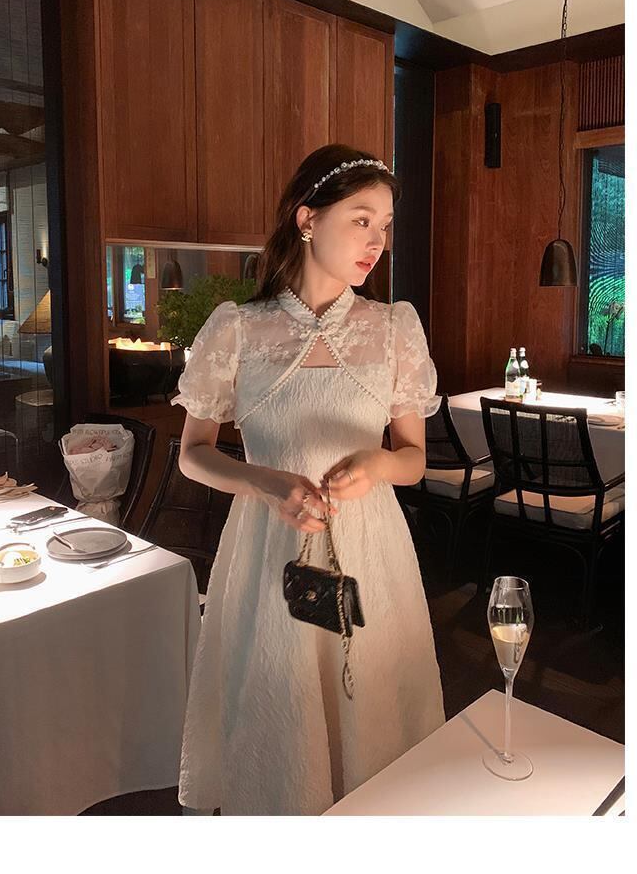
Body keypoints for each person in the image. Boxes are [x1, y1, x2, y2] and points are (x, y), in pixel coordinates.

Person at [171, 143, 445, 816]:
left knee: (370, 717)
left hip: (370, 552)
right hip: (270, 552)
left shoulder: (392, 329)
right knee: (281, 717)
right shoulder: (239, 330)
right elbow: (193, 453)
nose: (377, 242)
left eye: (385, 225)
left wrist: (377, 463)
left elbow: (413, 457)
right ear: (306, 218)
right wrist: (265, 482)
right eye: (361, 220)